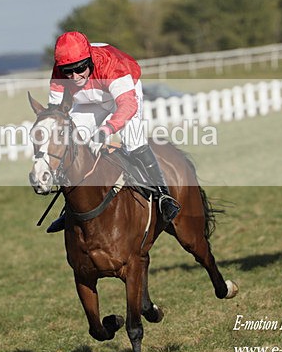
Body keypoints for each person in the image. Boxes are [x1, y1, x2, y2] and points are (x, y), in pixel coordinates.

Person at [43, 31, 180, 233]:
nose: (74, 77)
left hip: (123, 97)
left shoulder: (111, 65)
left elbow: (126, 105)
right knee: (70, 144)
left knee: (133, 142)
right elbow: (55, 112)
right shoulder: (60, 73)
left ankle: (164, 197)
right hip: (88, 101)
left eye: (80, 69)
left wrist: (107, 129)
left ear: (89, 60)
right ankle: (68, 209)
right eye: (67, 71)